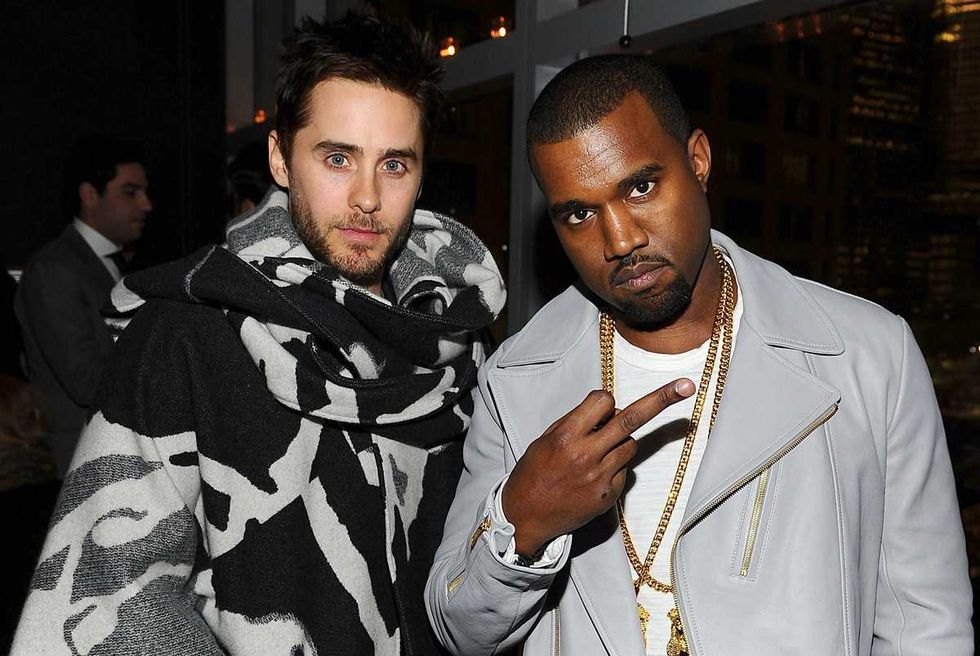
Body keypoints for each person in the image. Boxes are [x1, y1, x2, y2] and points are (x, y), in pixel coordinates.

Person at [426, 55, 972, 655]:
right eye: (579, 214)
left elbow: (927, 626)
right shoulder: (514, 379)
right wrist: (523, 521)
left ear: (699, 160)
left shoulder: (868, 356)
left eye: (640, 187)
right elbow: (460, 631)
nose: (620, 240)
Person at [12, 12, 504, 656]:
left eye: (394, 164)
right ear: (280, 158)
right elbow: (107, 595)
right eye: (337, 158)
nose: (366, 197)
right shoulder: (185, 332)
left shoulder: (455, 338)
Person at [15, 137, 151, 476]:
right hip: (79, 464)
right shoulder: (54, 268)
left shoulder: (114, 262)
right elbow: (86, 380)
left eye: (145, 192)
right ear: (90, 195)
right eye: (130, 193)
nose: (146, 204)